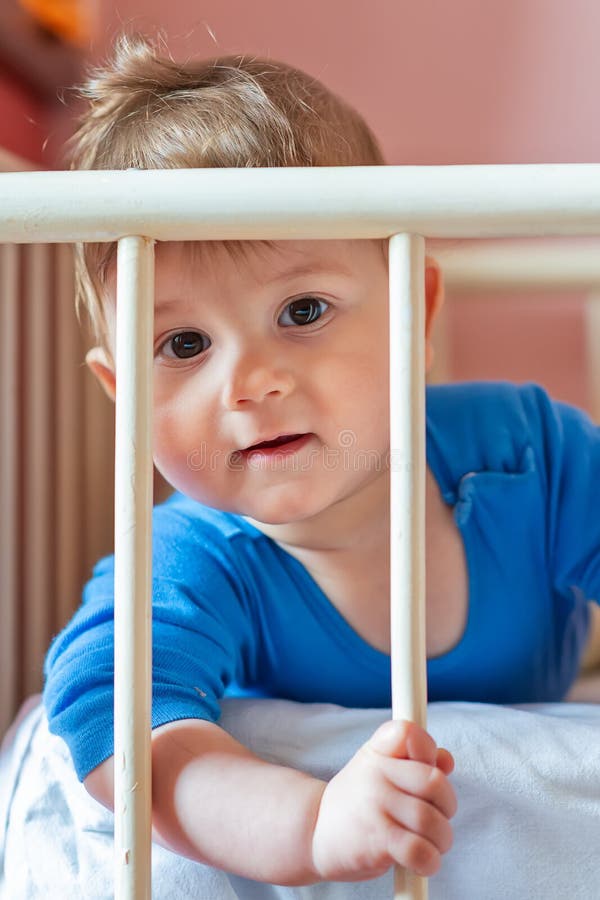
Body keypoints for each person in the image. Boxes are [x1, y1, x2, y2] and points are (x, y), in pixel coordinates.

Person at [43, 34, 600, 887]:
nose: (252, 381)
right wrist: (307, 823)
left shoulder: (528, 455)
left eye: (302, 310)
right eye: (184, 344)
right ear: (124, 396)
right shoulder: (192, 560)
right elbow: (113, 721)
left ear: (414, 310)